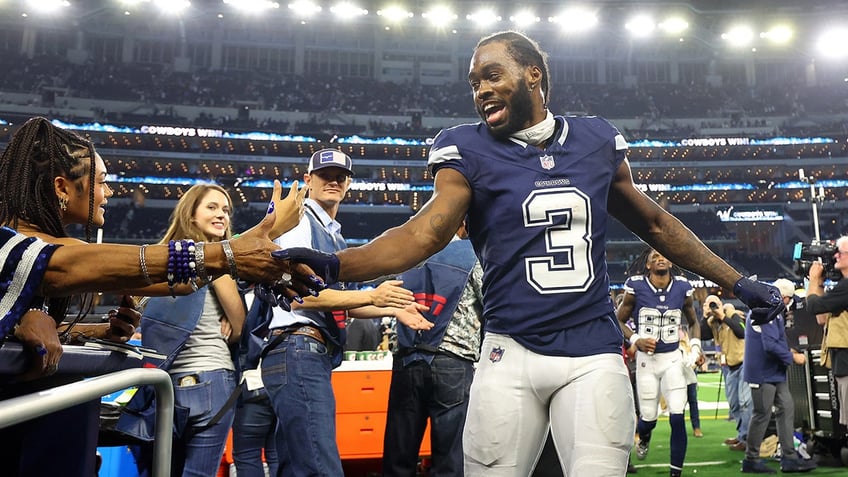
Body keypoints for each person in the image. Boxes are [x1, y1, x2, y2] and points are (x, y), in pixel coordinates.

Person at [278, 31, 784, 476]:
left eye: (492, 76)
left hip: (593, 351)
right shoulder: (465, 148)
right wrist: (335, 264)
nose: (480, 90)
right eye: (474, 83)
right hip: (508, 351)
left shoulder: (594, 139)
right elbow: (423, 234)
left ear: (533, 75)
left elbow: (654, 222)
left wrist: (737, 282)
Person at [0, 117, 308, 477]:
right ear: (62, 187)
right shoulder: (15, 243)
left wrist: (93, 333)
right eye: (102, 182)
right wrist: (231, 252)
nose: (109, 192)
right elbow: (71, 266)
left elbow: (166, 282)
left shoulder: (46, 245)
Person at [259, 148, 432, 477]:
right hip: (298, 347)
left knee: (298, 466)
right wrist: (373, 295)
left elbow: (338, 301)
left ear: (349, 183)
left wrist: (390, 307)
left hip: (304, 351)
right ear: (308, 180)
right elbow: (299, 297)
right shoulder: (299, 222)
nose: (333, 182)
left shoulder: (331, 232)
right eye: (325, 176)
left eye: (340, 176)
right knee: (319, 468)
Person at [123, 184, 251, 477]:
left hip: (164, 387)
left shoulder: (161, 261)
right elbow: (240, 325)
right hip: (212, 381)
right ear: (191, 215)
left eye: (226, 210)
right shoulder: (214, 259)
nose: (222, 215)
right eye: (212, 207)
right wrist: (231, 327)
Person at [383, 220, 484, 476]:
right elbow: (491, 302)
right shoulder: (472, 254)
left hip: (406, 360)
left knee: (398, 455)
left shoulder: (408, 256)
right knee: (449, 458)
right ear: (463, 225)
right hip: (453, 359)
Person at [616, 249, 704, 477]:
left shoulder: (683, 287)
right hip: (647, 361)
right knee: (648, 418)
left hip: (673, 358)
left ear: (671, 261)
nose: (660, 258)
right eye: (653, 256)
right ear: (647, 265)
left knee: (677, 415)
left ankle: (676, 472)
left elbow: (693, 322)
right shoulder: (636, 287)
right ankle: (644, 436)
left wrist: (695, 346)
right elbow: (618, 320)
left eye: (663, 255)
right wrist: (636, 339)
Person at [740, 282, 817, 474]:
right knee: (762, 414)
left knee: (786, 408)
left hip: (773, 371)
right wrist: (792, 356)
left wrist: (788, 352)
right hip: (763, 372)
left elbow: (776, 341)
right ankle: (751, 458)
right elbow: (771, 345)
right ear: (784, 298)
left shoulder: (767, 311)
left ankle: (789, 456)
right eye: (788, 300)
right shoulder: (766, 312)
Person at [805, 236, 848, 438]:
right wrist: (819, 285)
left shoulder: (846, 287)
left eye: (840, 252)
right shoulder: (843, 287)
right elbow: (822, 318)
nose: (836, 256)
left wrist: (813, 279)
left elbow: (813, 307)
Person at [703, 295, 751, 452]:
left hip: (744, 362)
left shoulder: (733, 314)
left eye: (715, 304)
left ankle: (747, 438)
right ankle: (741, 435)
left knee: (745, 402)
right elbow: (702, 335)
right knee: (734, 404)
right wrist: (705, 317)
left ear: (721, 304)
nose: (713, 308)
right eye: (710, 305)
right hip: (729, 366)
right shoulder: (712, 323)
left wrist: (723, 315)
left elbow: (741, 332)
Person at [679, 328, 703, 438]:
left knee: (693, 401)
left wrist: (698, 360)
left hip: (690, 372)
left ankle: (696, 427)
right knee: (679, 403)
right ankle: (680, 428)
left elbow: (697, 352)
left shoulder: (687, 333)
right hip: (678, 373)